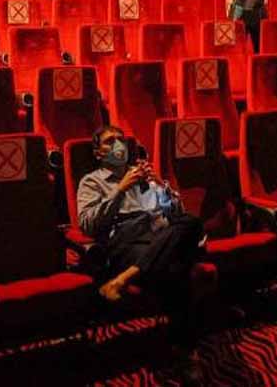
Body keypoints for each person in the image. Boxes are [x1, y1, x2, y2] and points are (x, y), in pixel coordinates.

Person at [77, 125, 206, 385]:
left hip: (157, 234)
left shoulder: (143, 176)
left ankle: (124, 279)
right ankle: (186, 352)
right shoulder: (91, 181)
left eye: (121, 140)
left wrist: (160, 186)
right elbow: (88, 225)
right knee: (176, 268)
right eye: (110, 141)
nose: (118, 145)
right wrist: (120, 189)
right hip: (125, 239)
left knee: (190, 222)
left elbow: (174, 213)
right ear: (98, 152)